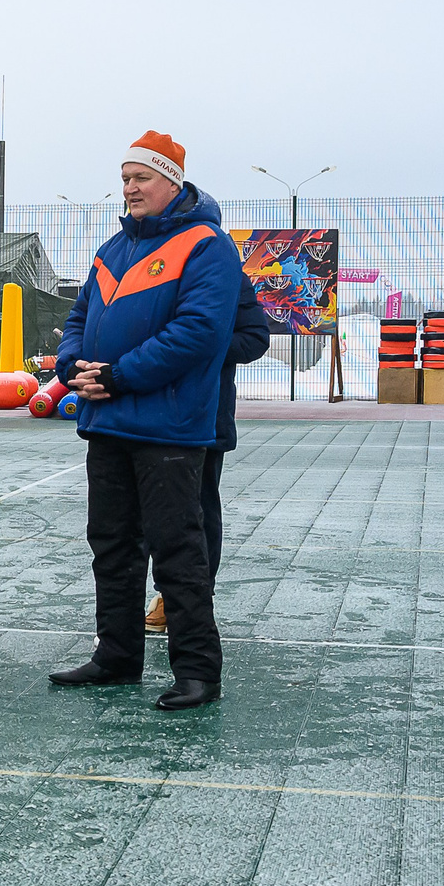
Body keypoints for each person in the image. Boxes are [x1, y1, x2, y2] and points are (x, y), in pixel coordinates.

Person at [48, 131, 243, 711]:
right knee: (110, 543)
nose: (130, 187)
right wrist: (71, 366)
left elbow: (198, 333)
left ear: (172, 182)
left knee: (177, 549)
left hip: (170, 428)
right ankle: (117, 655)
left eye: (142, 178)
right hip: (107, 422)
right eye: (126, 178)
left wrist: (117, 376)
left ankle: (198, 671)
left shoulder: (208, 246)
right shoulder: (112, 249)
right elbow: (80, 317)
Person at [149, 227, 271, 630]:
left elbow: (255, 338)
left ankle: (187, 598)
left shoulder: (226, 274)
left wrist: (197, 348)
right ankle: (150, 597)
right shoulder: (147, 269)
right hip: (144, 410)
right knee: (142, 515)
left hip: (203, 415)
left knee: (197, 511)